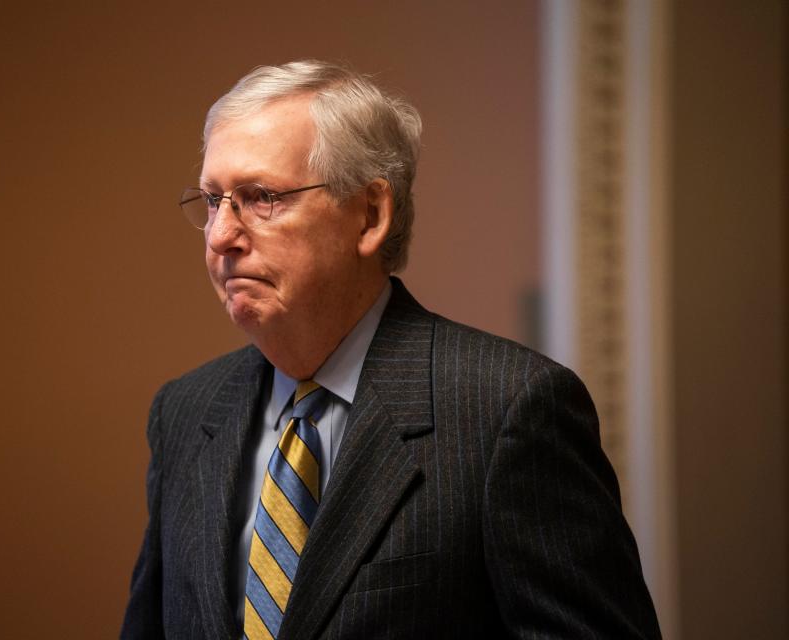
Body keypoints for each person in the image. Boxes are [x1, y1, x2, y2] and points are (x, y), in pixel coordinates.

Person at [121, 60, 661, 640]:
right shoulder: (183, 412)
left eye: (260, 197)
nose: (222, 236)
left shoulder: (510, 409)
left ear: (371, 215)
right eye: (211, 201)